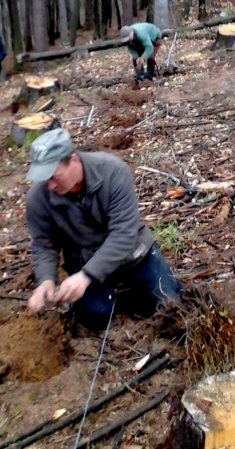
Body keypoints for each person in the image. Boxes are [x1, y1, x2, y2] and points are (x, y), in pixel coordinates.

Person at [25, 128, 181, 328]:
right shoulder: (38, 199)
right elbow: (44, 244)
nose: (50, 186)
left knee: (170, 304)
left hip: (132, 253)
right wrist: (46, 280)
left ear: (73, 160)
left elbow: (124, 234)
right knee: (95, 317)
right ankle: (107, 296)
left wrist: (86, 276)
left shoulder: (113, 172)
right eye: (45, 179)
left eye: (54, 176)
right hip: (84, 256)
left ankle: (126, 289)